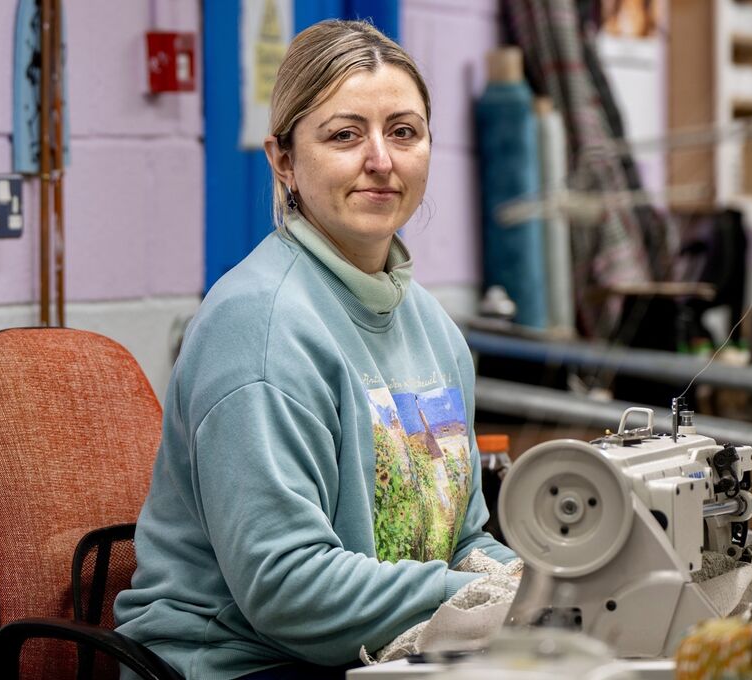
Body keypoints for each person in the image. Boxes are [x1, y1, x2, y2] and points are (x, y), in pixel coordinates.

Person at [114, 19, 518, 680]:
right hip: (236, 664)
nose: (381, 160)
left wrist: (549, 586)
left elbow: (464, 542)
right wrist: (482, 600)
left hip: (390, 654)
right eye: (344, 134)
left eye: (404, 132)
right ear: (283, 161)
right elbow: (288, 589)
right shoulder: (261, 327)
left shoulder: (437, 332)